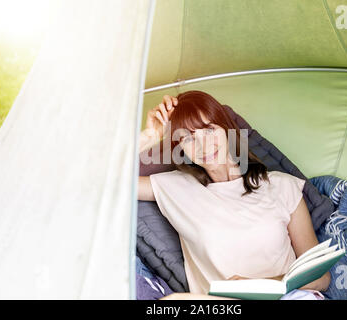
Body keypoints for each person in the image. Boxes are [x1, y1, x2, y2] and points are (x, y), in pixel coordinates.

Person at [138, 91, 330, 300]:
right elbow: (104, 186)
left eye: (209, 130)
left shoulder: (281, 186)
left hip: (288, 297)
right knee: (172, 302)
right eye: (188, 138)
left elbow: (320, 276)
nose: (203, 146)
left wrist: (260, 285)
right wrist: (148, 137)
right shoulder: (174, 187)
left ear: (226, 129)